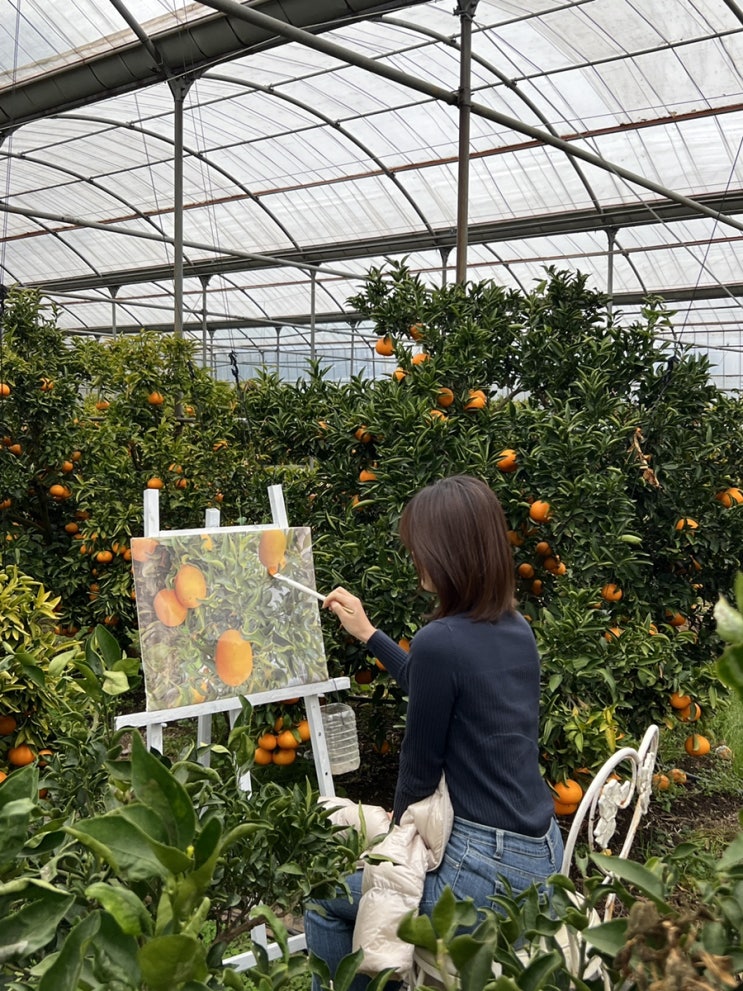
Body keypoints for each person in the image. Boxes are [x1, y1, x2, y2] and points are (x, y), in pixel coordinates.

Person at [305, 474, 562, 987]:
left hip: (485, 871)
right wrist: (369, 634)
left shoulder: (440, 641)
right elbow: (435, 685)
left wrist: (397, 834)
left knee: (324, 900)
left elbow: (418, 769)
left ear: (448, 553)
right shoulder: (515, 628)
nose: (415, 558)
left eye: (419, 547)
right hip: (543, 855)